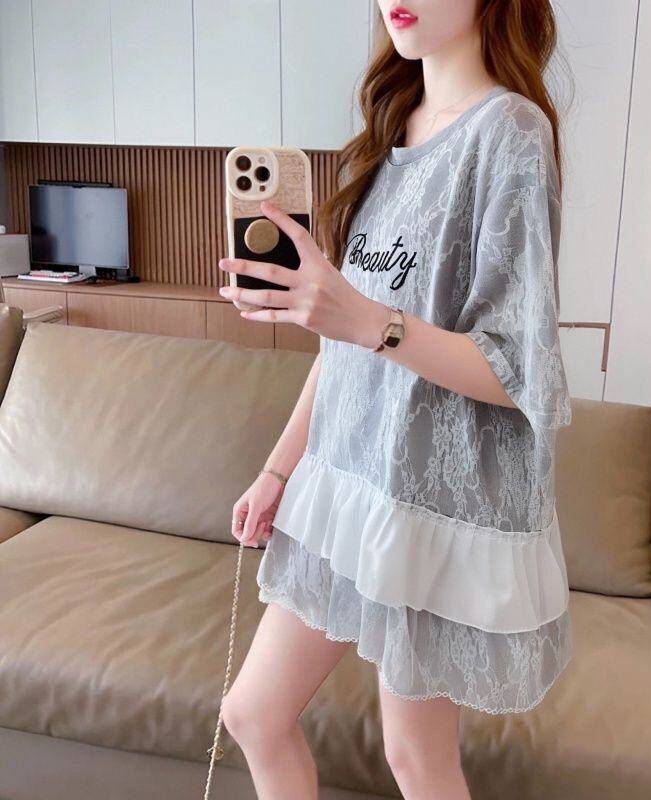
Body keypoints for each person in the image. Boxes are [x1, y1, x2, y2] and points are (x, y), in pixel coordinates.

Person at [217, 1, 572, 798]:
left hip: (426, 510)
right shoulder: (391, 127)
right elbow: (344, 346)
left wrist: (366, 320)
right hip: (347, 484)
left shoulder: (509, 133)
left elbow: (517, 369)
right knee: (253, 714)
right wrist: (278, 471)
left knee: (416, 759)